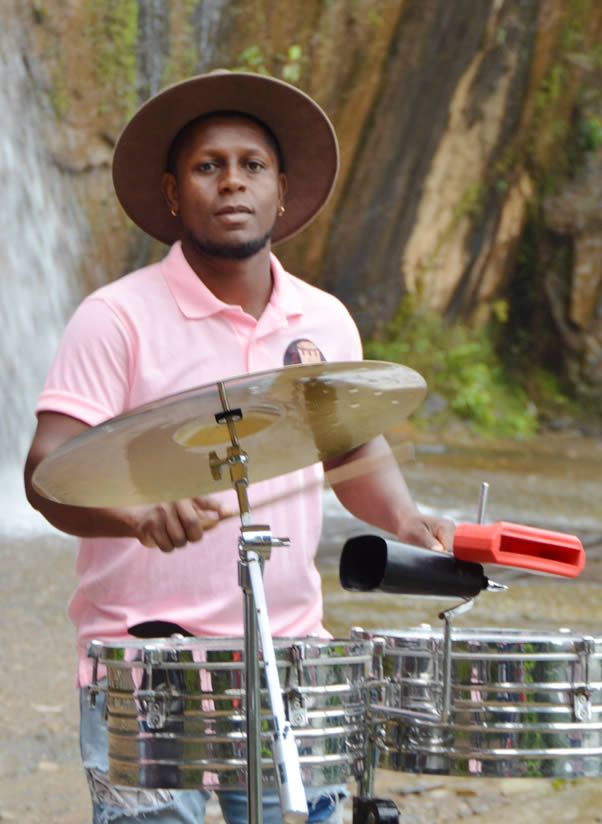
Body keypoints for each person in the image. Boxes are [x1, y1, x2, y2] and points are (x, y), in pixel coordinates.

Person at [24, 70, 455, 824]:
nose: (232, 182)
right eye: (208, 166)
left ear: (280, 191)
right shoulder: (115, 318)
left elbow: (351, 453)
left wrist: (409, 523)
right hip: (148, 671)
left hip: (290, 662)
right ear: (172, 191)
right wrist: (136, 515)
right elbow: (45, 473)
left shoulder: (324, 321)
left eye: (252, 165)